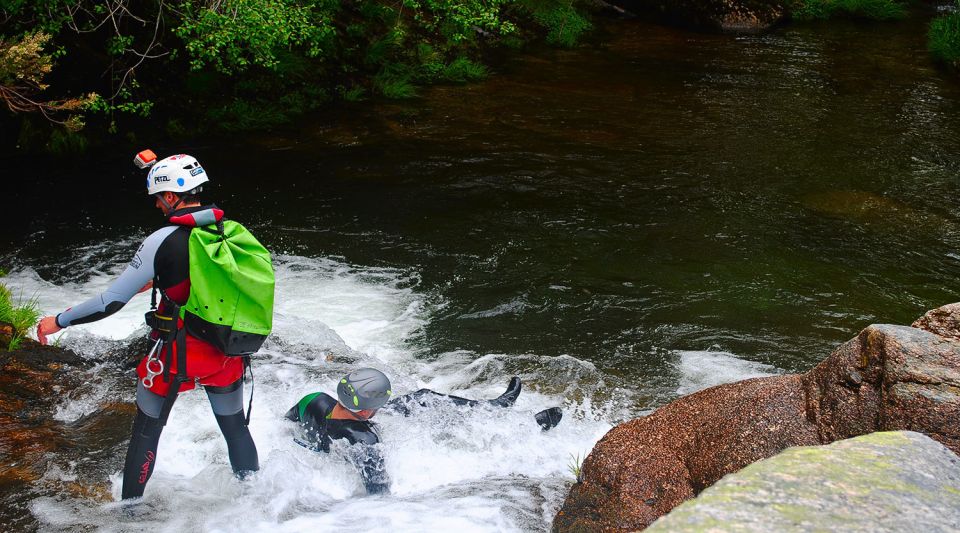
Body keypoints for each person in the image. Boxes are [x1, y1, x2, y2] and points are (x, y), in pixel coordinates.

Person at [36, 151, 262, 500]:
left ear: (172, 196)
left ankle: (130, 515)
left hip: (175, 356)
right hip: (226, 352)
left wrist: (59, 321)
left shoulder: (162, 239)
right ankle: (256, 501)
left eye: (159, 198)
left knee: (145, 434)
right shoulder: (228, 231)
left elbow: (109, 302)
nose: (157, 205)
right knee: (234, 429)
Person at [285, 368, 563, 494]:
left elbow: (287, 421)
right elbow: (379, 494)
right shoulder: (365, 439)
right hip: (348, 435)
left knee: (422, 398)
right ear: (369, 410)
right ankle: (524, 430)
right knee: (433, 419)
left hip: (340, 423)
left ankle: (494, 407)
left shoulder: (315, 399)